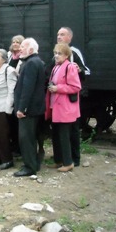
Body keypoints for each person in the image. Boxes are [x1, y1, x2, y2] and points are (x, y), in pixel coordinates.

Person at [55, 26, 90, 166]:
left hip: (71, 99)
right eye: (58, 34)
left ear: (69, 37)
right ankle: (62, 158)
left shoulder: (74, 52)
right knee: (60, 131)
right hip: (58, 100)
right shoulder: (57, 53)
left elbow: (85, 72)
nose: (59, 36)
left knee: (73, 130)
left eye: (62, 34)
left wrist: (78, 69)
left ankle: (75, 159)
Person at [45, 43, 81, 172]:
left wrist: (58, 88)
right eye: (55, 53)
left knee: (64, 136)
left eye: (59, 53)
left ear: (66, 55)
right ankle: (58, 160)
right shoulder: (56, 67)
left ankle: (68, 163)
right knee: (56, 135)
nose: (56, 55)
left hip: (65, 108)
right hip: (55, 107)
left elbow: (76, 87)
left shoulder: (69, 67)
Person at [13, 38, 46, 177]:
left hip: (29, 109)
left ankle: (29, 167)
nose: (20, 49)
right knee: (31, 137)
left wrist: (22, 108)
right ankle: (33, 163)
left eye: (23, 47)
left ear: (31, 49)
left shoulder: (31, 63)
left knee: (26, 138)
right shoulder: (36, 61)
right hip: (34, 108)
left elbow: (28, 88)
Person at [7, 34, 24, 156]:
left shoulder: (23, 58)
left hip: (17, 92)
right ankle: (12, 145)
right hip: (8, 92)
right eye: (13, 41)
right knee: (10, 122)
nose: (15, 44)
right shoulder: (9, 57)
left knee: (17, 122)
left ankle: (19, 147)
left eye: (18, 42)